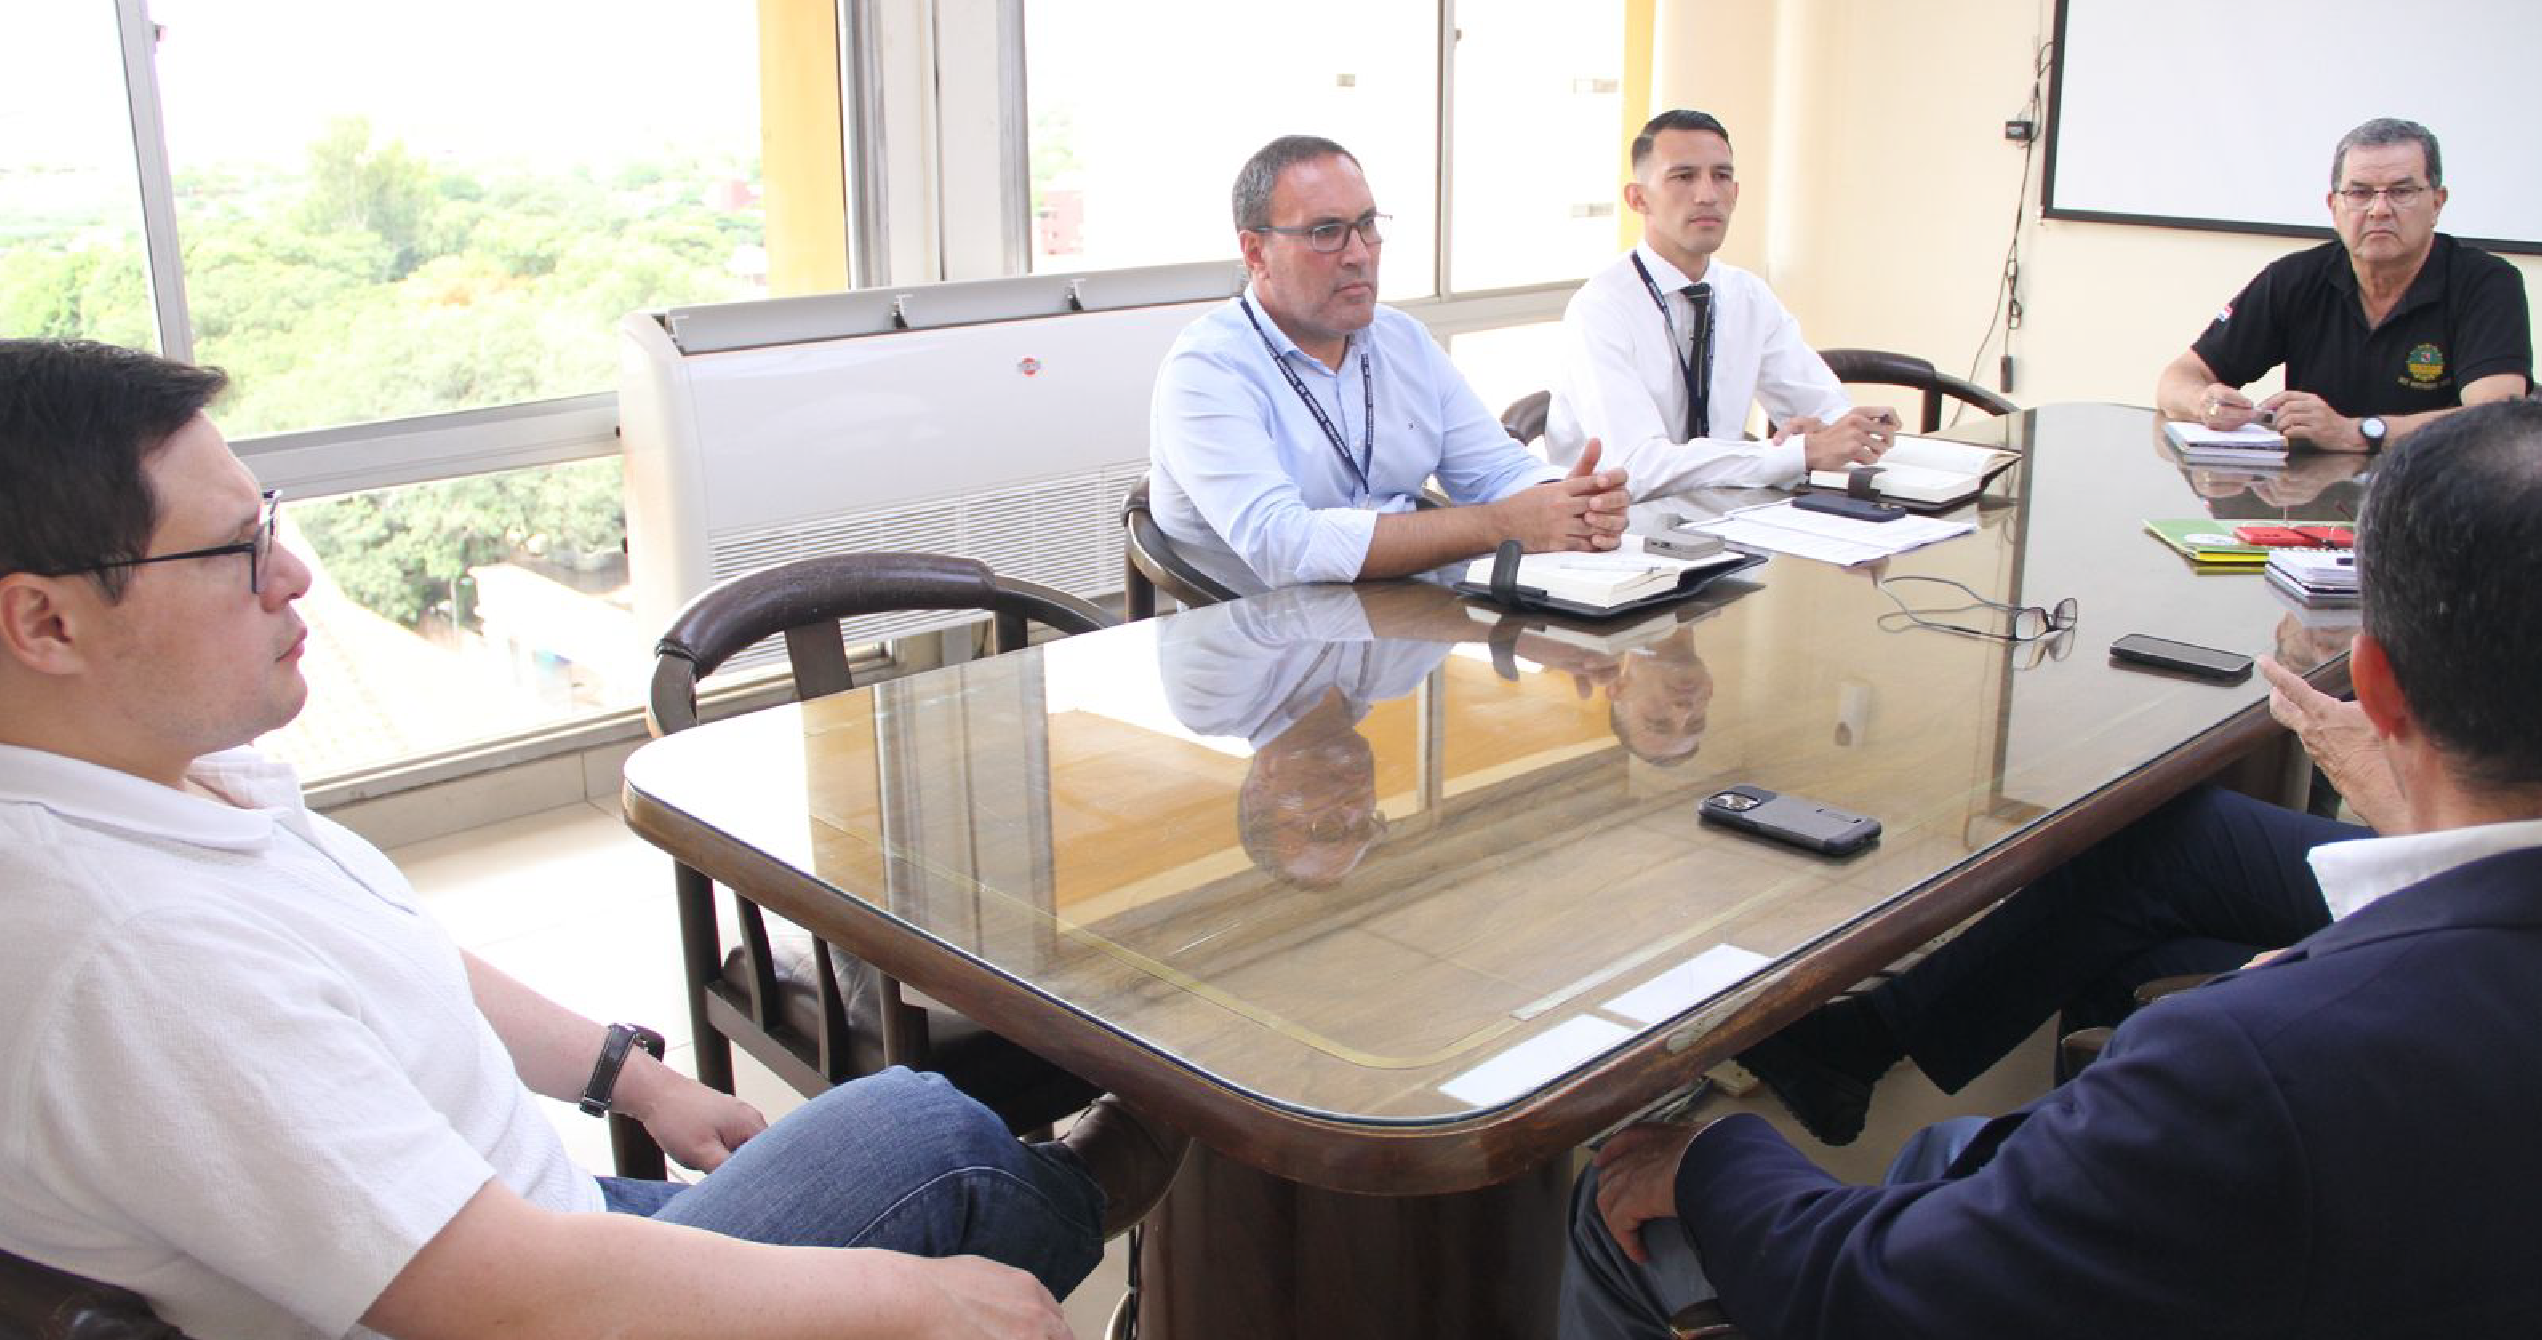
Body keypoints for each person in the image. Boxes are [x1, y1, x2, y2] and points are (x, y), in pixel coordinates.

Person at [0, 338, 1184, 1340]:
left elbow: (378, 949)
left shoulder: (151, 778)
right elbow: (498, 1292)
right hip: (519, 1285)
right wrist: (908, 1295)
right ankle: (1099, 1198)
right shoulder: (131, 951)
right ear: (44, 620)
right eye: (232, 549)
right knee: (928, 1138)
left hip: (524, 1203)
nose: (293, 571)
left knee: (923, 1131)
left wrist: (629, 1074)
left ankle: (1072, 1194)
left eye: (270, 523)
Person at [1564, 397, 2542, 1339]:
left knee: (1620, 1216)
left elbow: (1875, 1294)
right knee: (2170, 892)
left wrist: (1707, 1156)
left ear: (2374, 687)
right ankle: (1904, 1070)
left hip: (2062, 1253)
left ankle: (2023, 1141)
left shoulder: (2242, 1059)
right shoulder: (2255, 1044)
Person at [1150, 135, 1632, 594]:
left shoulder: (1400, 339)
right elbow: (1284, 545)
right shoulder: (1207, 370)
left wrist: (1566, 501)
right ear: (1257, 253)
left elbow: (1495, 469)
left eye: (1366, 226)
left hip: (1406, 629)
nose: (1358, 255)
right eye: (1326, 233)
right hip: (1264, 651)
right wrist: (1503, 524)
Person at [1546, 110, 1899, 499]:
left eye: (1721, 176)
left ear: (1735, 193)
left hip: (1728, 515)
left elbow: (1825, 407)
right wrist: (1791, 454)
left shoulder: (1747, 295)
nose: (1707, 195)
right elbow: (1636, 468)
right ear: (1638, 198)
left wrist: (1842, 431)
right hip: (1616, 530)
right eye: (1683, 177)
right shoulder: (1600, 309)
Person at [2158, 117, 2531, 451]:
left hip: (2440, 498)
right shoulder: (2295, 278)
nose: (2379, 209)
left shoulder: (2488, 283)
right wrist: (2206, 402)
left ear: (2437, 202)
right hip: (2315, 500)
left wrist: (2358, 432)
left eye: (2401, 192)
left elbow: (2494, 420)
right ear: (2333, 207)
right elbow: (2178, 378)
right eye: (2359, 193)